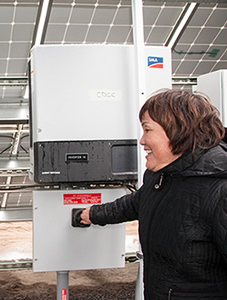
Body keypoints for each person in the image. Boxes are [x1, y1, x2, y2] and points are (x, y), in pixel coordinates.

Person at [80, 89, 227, 299]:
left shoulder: (219, 190)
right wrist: (93, 214)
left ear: (179, 131)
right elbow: (136, 203)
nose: (142, 141)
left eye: (147, 130)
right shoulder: (161, 176)